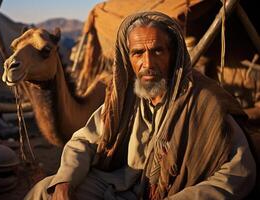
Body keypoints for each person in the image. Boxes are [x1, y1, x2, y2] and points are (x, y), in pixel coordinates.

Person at [25, 11, 256, 200]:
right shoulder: (126, 97)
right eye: (138, 53)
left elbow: (239, 171)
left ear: (173, 54)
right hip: (118, 184)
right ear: (128, 58)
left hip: (174, 192)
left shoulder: (205, 102)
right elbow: (84, 140)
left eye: (157, 51)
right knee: (45, 191)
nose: (147, 63)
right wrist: (65, 179)